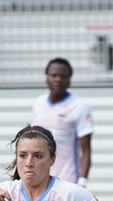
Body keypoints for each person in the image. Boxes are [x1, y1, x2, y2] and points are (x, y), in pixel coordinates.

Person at [31, 58, 92, 187]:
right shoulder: (38, 103)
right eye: (54, 75)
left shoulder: (79, 106)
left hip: (67, 180)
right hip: (40, 179)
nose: (58, 79)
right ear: (46, 77)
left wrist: (82, 182)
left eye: (63, 76)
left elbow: (85, 149)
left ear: (69, 80)